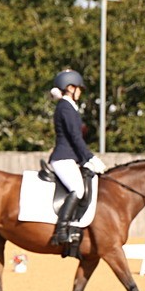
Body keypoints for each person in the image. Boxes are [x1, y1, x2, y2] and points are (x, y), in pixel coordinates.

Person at [48, 69, 106, 247]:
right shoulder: (65, 107)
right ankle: (62, 230)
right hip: (63, 157)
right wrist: (90, 157)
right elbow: (74, 137)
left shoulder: (69, 107)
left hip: (71, 157)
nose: (80, 92)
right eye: (79, 88)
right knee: (78, 189)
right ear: (70, 88)